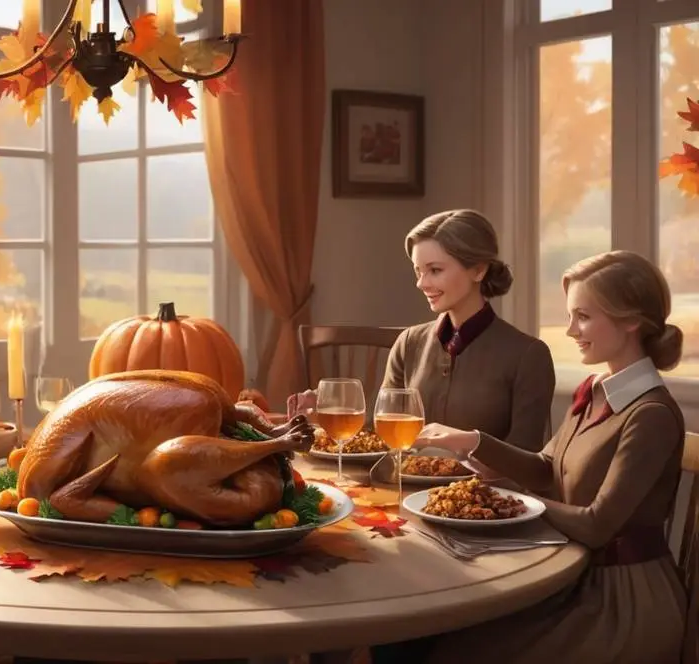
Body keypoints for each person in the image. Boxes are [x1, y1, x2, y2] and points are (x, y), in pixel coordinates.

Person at [411, 250, 687, 663]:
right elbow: (545, 469)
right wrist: (472, 441)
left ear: (631, 320)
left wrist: (510, 503)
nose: (571, 329)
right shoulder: (597, 389)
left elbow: (596, 526)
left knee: (460, 650)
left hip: (623, 600)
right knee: (446, 637)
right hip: (574, 573)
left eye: (583, 316)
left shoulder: (652, 415)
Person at [290, 209, 556, 452]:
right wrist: (320, 419)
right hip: (402, 491)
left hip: (484, 500)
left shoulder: (529, 356)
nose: (421, 283)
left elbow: (528, 462)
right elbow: (380, 437)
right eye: (418, 271)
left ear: (478, 269)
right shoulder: (409, 343)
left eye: (435, 270)